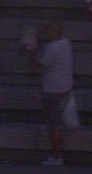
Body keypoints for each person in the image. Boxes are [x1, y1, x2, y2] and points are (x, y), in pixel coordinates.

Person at [26, 20, 74, 166]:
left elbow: (40, 64)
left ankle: (57, 157)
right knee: (56, 117)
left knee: (54, 124)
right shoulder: (66, 42)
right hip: (66, 87)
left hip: (53, 89)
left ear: (52, 34)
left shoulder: (52, 49)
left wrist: (30, 52)